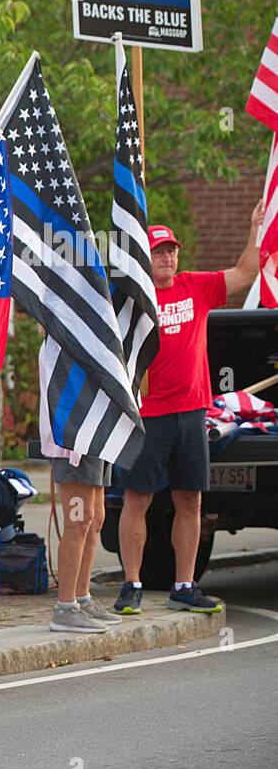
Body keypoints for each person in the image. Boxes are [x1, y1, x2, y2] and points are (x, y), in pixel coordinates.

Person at [115, 204, 263, 615]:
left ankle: (184, 584)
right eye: (159, 251)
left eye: (172, 251)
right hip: (149, 415)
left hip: (193, 412)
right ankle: (131, 586)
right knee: (138, 499)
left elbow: (244, 274)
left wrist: (255, 229)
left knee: (191, 501)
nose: (167, 258)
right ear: (146, 257)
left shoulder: (195, 286)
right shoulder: (133, 298)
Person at [48, 459, 121, 632]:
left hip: (98, 443)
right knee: (78, 522)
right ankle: (65, 607)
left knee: (95, 521)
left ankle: (82, 598)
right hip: (75, 443)